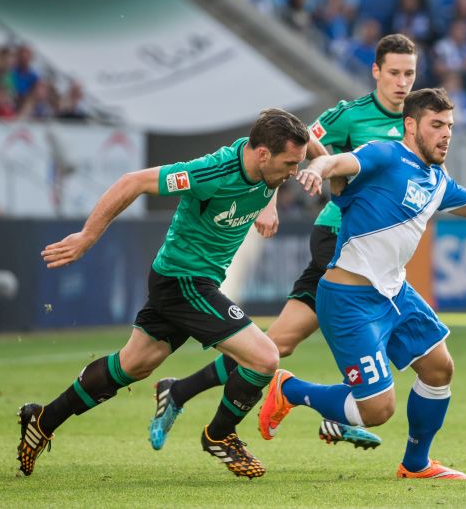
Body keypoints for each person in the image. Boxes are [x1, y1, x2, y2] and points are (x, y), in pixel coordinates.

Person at [258, 88, 466, 480]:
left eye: (449, 126)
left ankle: (415, 464)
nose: (446, 134)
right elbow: (339, 160)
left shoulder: (437, 180)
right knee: (378, 411)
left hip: (395, 293)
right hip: (349, 299)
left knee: (439, 368)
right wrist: (318, 168)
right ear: (411, 125)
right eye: (437, 125)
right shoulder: (384, 154)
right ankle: (290, 389)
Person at [148, 33, 418, 452]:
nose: (402, 82)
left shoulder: (417, 123)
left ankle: (179, 390)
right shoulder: (351, 115)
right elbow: (287, 140)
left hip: (378, 243)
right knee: (361, 318)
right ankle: (348, 408)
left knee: (277, 344)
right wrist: (268, 201)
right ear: (376, 72)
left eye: (410, 74)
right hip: (342, 237)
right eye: (395, 73)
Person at [16, 108, 309, 479]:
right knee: (265, 357)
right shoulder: (211, 173)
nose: (294, 173)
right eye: (290, 164)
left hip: (180, 278)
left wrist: (272, 200)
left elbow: (295, 147)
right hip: (185, 281)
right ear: (263, 154)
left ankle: (43, 418)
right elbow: (132, 182)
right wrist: (87, 236)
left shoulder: (267, 161)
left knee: (133, 364)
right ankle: (219, 435)